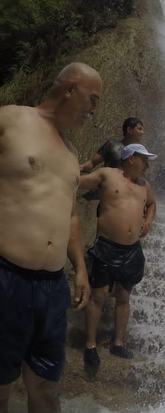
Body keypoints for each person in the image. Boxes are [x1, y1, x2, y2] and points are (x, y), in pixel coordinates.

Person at [0, 62, 101, 413]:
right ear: (70, 88)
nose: (94, 110)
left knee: (45, 388)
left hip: (51, 287)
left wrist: (81, 269)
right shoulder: (11, 119)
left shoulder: (72, 155)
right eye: (93, 99)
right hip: (5, 276)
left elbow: (70, 215)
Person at [78, 144, 157, 366]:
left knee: (124, 296)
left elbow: (151, 204)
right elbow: (78, 182)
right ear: (131, 158)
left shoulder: (144, 185)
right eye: (144, 159)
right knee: (99, 295)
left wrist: (148, 221)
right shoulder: (108, 174)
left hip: (131, 250)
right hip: (106, 246)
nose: (147, 165)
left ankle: (118, 343)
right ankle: (90, 345)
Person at [80, 117, 144, 173]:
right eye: (139, 129)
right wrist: (79, 168)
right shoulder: (112, 146)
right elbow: (92, 162)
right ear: (129, 130)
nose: (142, 132)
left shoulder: (139, 153)